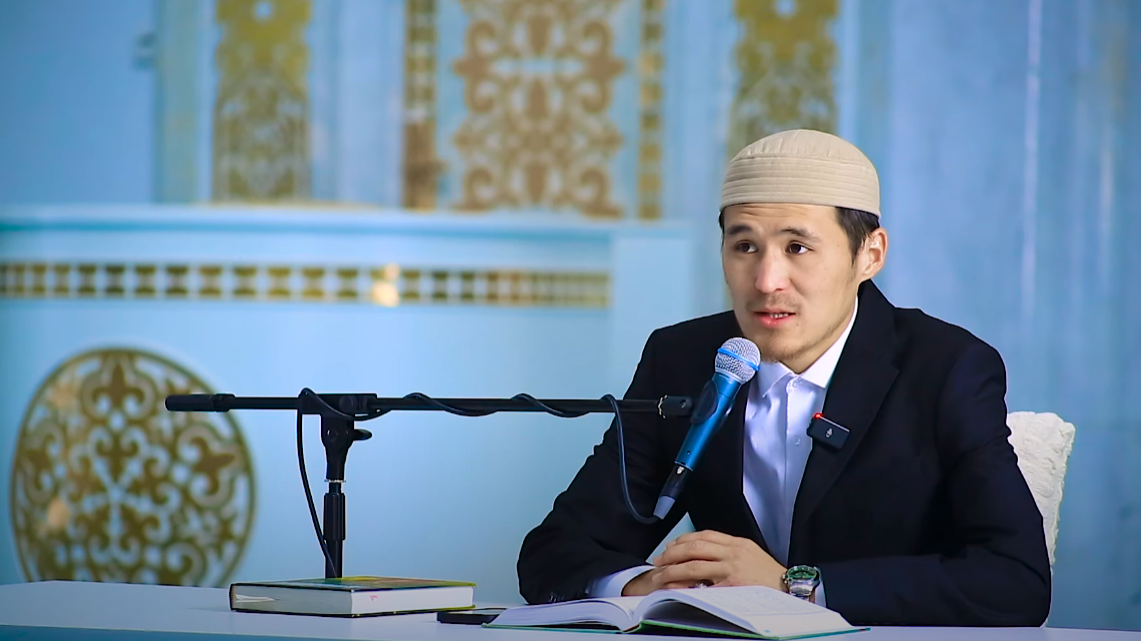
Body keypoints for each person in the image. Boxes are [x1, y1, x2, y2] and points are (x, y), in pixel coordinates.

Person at [516, 129, 1051, 626]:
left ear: (870, 255)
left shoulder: (947, 366)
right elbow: (553, 553)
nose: (767, 281)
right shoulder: (681, 357)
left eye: (798, 248)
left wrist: (793, 587)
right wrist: (645, 587)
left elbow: (1015, 581)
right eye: (744, 246)